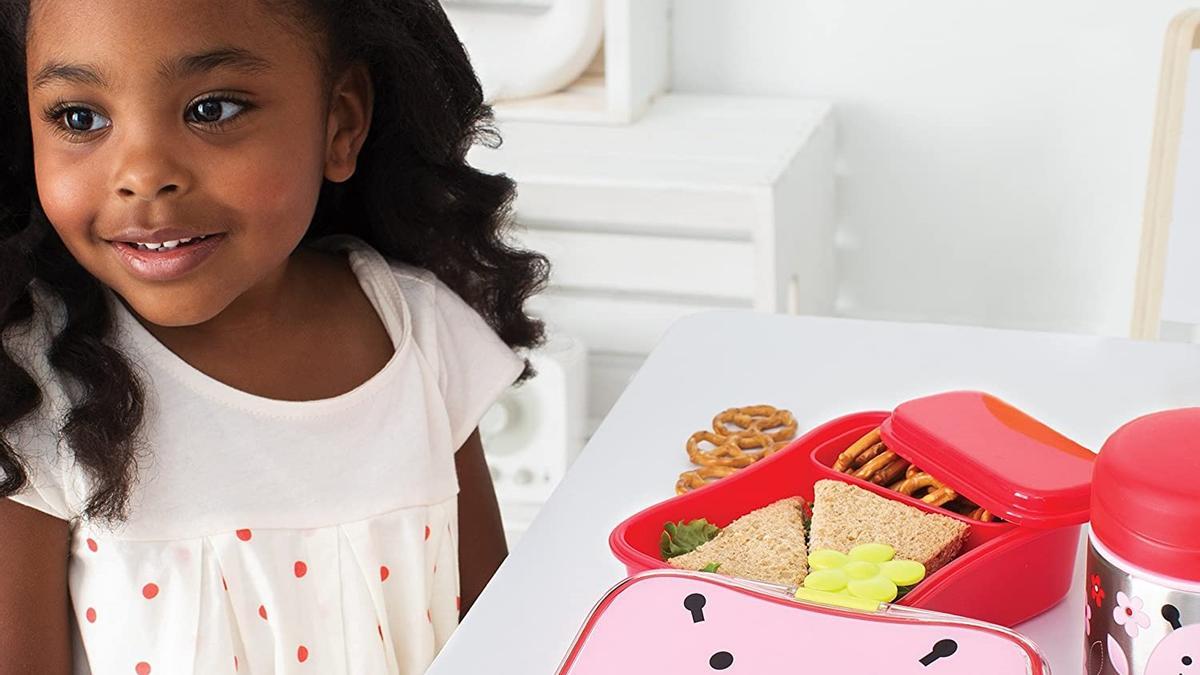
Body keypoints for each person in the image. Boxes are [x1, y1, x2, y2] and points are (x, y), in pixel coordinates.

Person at [0, 1, 548, 673]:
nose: (142, 173)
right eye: (79, 118)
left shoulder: (422, 339)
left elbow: (500, 638)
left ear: (340, 122)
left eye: (212, 109)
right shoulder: (30, 394)